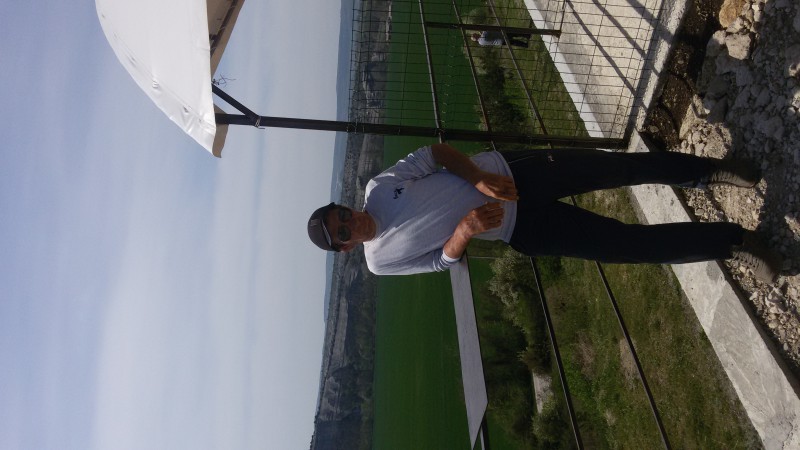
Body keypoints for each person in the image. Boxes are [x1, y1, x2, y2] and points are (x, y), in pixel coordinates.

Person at [307, 144, 783, 282]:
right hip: (521, 228)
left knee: (621, 169)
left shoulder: (378, 188)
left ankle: (709, 172)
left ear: (343, 206)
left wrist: (477, 178)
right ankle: (734, 244)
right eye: (342, 233)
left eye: (341, 215)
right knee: (626, 248)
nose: (350, 223)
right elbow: (438, 262)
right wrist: (465, 231)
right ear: (346, 249)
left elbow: (435, 154)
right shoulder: (380, 261)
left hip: (515, 173)